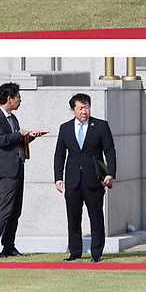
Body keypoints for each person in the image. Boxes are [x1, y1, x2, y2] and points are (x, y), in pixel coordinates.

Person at [0, 82, 47, 257]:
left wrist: (30, 136)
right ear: (9, 98)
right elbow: (2, 140)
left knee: (15, 209)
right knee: (5, 208)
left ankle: (8, 245)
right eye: (18, 97)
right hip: (5, 171)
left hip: (18, 167)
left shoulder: (13, 119)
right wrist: (21, 133)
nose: (20, 100)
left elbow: (16, 140)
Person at [54, 93, 116, 263]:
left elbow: (109, 150)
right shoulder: (65, 128)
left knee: (96, 217)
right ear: (72, 110)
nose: (84, 111)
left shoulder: (101, 126)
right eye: (80, 108)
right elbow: (60, 155)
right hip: (73, 180)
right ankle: (75, 252)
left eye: (87, 107)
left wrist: (110, 173)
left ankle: (96, 253)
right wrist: (58, 177)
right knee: (73, 218)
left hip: (94, 179)